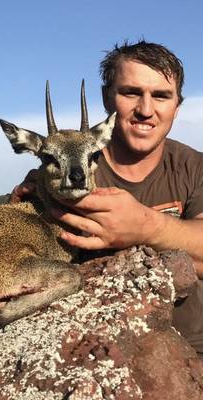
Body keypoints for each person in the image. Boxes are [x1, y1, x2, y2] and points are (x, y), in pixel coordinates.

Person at [11, 40, 203, 356]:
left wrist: (146, 228)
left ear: (177, 106)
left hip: (191, 350)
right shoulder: (64, 174)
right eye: (131, 92)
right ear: (106, 98)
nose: (146, 110)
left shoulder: (194, 168)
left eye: (161, 96)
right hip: (93, 349)